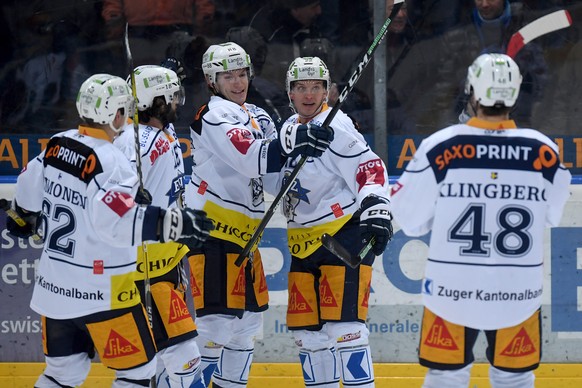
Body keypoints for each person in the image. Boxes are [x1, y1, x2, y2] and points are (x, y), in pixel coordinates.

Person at [5, 73, 214, 387]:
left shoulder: (56, 144)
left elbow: (26, 195)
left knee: (64, 374)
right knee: (138, 373)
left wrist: (22, 217)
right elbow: (114, 223)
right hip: (102, 292)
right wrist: (174, 223)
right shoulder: (112, 160)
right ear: (117, 114)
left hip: (55, 289)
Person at [390, 53, 572, 388]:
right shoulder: (545, 153)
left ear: (471, 91)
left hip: (451, 293)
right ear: (515, 94)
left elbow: (409, 219)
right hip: (516, 296)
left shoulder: (439, 147)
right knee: (515, 379)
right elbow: (550, 218)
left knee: (445, 376)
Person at [183, 43, 333, 388]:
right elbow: (255, 158)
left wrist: (310, 154)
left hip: (244, 239)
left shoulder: (257, 115)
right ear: (211, 80)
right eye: (228, 77)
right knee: (217, 326)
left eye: (242, 75)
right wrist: (298, 138)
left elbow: (275, 175)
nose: (238, 83)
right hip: (211, 233)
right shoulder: (213, 115)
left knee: (246, 325)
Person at [279, 56, 393, 387]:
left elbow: (369, 166)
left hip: (342, 236)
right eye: (301, 87)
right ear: (290, 93)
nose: (309, 94)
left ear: (328, 91)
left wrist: (375, 204)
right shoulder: (291, 127)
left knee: (345, 329)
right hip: (303, 242)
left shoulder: (336, 126)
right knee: (308, 335)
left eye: (316, 87)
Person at [114, 65, 210, 387]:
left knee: (160, 361)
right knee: (179, 356)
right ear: (157, 101)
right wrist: (128, 196)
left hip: (166, 262)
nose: (177, 103)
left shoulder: (161, 134)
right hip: (143, 269)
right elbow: (112, 192)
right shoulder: (132, 140)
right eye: (171, 96)